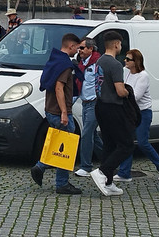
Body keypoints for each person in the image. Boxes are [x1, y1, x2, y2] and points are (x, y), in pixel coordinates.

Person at [31, 32, 84, 195]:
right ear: (71, 46)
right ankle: (60, 182)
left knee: (58, 143)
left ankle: (41, 167)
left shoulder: (54, 59)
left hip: (50, 109)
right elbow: (59, 88)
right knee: (66, 148)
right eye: (77, 48)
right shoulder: (65, 65)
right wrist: (64, 112)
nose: (78, 51)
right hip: (59, 111)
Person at [90, 31, 133, 197]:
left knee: (109, 145)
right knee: (126, 144)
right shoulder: (115, 65)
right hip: (113, 107)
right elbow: (120, 90)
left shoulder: (99, 61)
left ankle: (108, 182)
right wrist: (128, 92)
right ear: (116, 44)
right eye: (120, 44)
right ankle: (102, 172)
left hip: (100, 105)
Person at [116, 49, 159, 182]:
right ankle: (124, 173)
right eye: (125, 58)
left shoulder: (143, 76)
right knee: (127, 141)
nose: (125, 61)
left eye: (128, 59)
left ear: (136, 61)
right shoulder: (126, 72)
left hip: (142, 112)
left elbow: (136, 96)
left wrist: (122, 93)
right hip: (130, 112)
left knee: (143, 143)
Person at [74, 38, 104, 178]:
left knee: (86, 133)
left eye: (82, 48)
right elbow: (79, 83)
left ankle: (86, 166)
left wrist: (100, 98)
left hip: (94, 103)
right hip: (85, 102)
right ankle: (109, 160)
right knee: (92, 135)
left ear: (91, 49)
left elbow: (101, 82)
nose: (79, 50)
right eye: (79, 48)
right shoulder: (82, 63)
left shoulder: (97, 63)